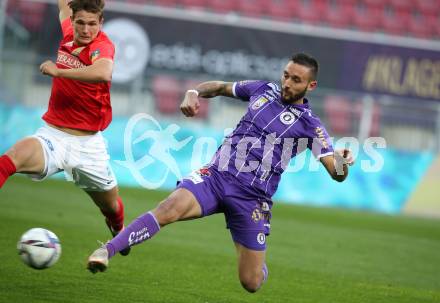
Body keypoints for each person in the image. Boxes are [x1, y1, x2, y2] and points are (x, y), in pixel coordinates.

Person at [87, 53, 355, 292]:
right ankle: (106, 250)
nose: (287, 83)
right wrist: (193, 91)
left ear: (311, 86)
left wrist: (343, 161)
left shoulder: (311, 125)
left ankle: (259, 267)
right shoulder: (263, 90)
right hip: (216, 176)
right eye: (286, 75)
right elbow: (218, 87)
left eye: (296, 80)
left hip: (252, 198)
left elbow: (336, 172)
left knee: (250, 283)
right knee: (169, 207)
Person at [0, 0, 129, 255]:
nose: (85, 29)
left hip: (89, 146)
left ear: (100, 23)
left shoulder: (102, 46)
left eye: (92, 24)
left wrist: (59, 72)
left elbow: (103, 72)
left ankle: (117, 229)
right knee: (10, 160)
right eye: (80, 22)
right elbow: (63, 6)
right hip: (53, 136)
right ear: (73, 21)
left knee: (112, 207)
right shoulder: (69, 33)